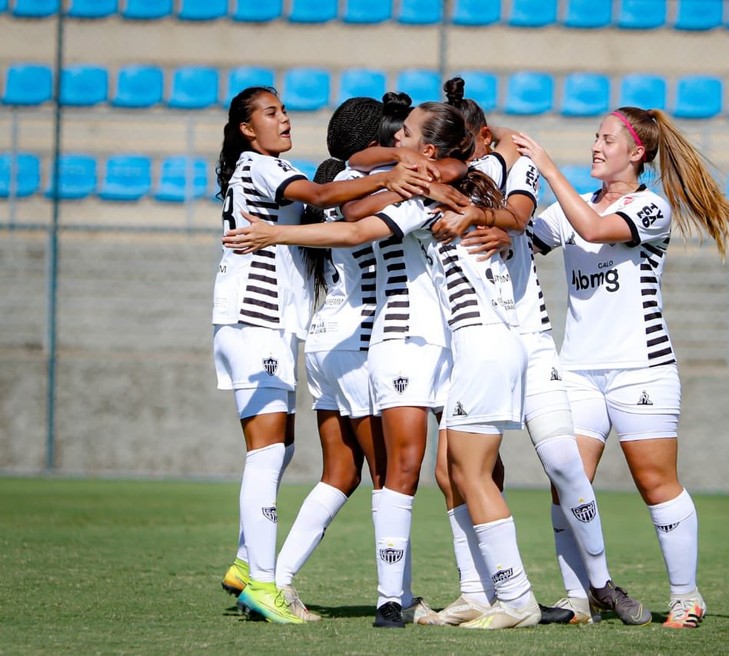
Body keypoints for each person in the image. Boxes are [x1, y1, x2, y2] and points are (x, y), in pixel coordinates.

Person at [223, 101, 543, 630]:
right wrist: (431, 175)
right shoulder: (457, 180)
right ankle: (459, 595)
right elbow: (494, 150)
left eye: (406, 135)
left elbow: (353, 221)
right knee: (443, 470)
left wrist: (276, 232)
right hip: (439, 341)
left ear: (432, 149)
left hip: (465, 343)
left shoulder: (430, 188)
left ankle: (505, 597)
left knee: (448, 471)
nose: (394, 142)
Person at [424, 77, 650, 627]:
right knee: (454, 472)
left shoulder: (510, 165)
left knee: (563, 465)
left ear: (478, 137)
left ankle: (597, 587)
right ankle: (477, 592)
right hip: (477, 340)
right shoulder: (459, 176)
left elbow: (520, 208)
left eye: (471, 143)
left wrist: (495, 217)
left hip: (529, 340)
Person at [512, 106, 729, 629]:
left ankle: (686, 596)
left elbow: (591, 226)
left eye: (607, 139)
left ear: (636, 153)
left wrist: (546, 166)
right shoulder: (574, 204)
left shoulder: (648, 207)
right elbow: (520, 239)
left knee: (655, 481)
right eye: (595, 136)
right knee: (566, 481)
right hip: (579, 369)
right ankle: (578, 599)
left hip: (642, 369)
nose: (596, 146)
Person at [212, 86, 428, 624]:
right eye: (271, 112)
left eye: (285, 109)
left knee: (318, 463)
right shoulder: (266, 167)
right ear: (245, 127)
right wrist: (395, 174)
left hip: (308, 335)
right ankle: (378, 595)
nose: (284, 118)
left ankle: (253, 567)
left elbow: (329, 193)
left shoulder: (304, 174)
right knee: (378, 473)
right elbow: (336, 202)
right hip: (335, 335)